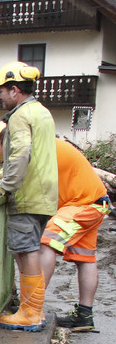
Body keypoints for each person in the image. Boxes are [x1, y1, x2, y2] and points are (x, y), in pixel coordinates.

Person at [0, 61, 59, 332]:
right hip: (44, 195)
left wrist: (4, 186)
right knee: (29, 249)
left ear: (14, 90)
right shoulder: (41, 111)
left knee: (25, 251)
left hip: (28, 195)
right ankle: (33, 310)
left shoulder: (20, 116)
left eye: (1, 91)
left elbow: (20, 154)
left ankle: (31, 313)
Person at [39, 138, 112, 331]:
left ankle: (31, 306)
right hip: (96, 202)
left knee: (46, 242)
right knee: (85, 258)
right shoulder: (49, 143)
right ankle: (84, 316)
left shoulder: (41, 146)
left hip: (83, 204)